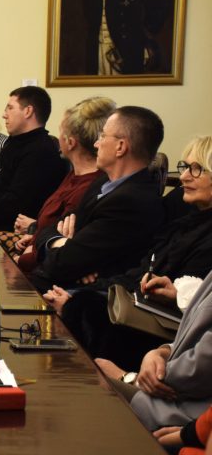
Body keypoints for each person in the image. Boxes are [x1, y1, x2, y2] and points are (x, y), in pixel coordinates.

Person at [44, 136, 212, 364]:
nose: (183, 176)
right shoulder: (185, 219)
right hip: (140, 309)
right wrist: (81, 292)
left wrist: (76, 303)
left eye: (197, 169)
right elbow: (140, 273)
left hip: (164, 338)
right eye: (185, 167)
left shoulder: (195, 230)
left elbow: (187, 307)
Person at [31, 106, 165, 292]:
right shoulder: (102, 182)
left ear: (120, 147)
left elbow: (61, 264)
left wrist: (68, 251)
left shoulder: (131, 202)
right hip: (53, 282)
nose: (96, 144)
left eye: (102, 136)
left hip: (72, 296)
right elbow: (48, 230)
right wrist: (63, 243)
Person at [92, 269, 212, 432]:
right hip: (175, 395)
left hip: (185, 415)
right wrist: (161, 352)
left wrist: (129, 379)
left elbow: (198, 371)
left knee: (92, 377)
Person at [11, 96, 116, 270]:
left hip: (39, 270)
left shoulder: (88, 188)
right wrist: (35, 234)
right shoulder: (74, 175)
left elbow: (59, 250)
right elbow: (52, 228)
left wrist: (20, 259)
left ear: (70, 142)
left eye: (61, 132)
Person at [0, 86, 67, 231]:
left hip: (9, 230)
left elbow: (13, 205)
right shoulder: (15, 142)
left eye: (10, 108)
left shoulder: (41, 151)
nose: (4, 115)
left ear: (28, 111)